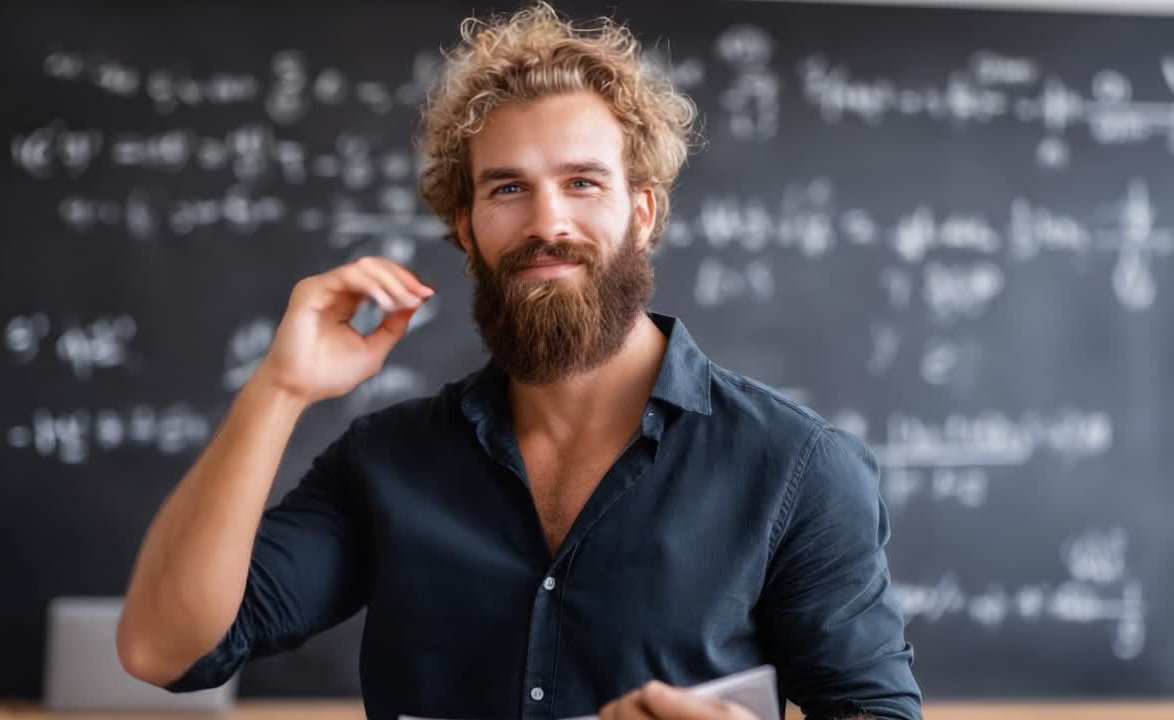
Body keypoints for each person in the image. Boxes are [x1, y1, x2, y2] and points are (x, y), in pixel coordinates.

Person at [116, 3, 922, 719]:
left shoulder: (796, 469)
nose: (548, 223)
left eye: (582, 182)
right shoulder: (387, 462)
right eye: (507, 189)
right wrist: (278, 388)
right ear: (466, 229)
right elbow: (165, 651)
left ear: (641, 213)